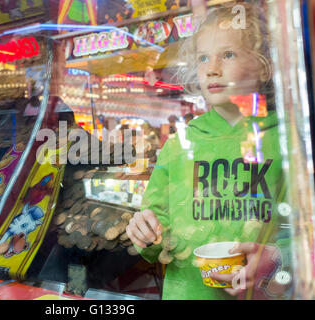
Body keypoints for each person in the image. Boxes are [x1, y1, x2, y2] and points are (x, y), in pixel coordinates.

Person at [125, 2, 291, 300]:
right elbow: (153, 226)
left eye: (228, 54)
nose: (212, 69)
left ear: (263, 65)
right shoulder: (180, 143)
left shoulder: (286, 140)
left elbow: (305, 233)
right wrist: (144, 232)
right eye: (203, 58)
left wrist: (277, 257)